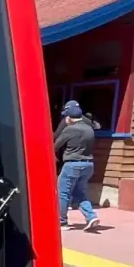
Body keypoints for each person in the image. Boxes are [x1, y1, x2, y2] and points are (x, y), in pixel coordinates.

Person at [55, 99, 100, 231]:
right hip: (88, 165)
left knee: (63, 193)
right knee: (80, 193)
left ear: (68, 117)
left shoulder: (69, 130)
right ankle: (91, 216)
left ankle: (62, 222)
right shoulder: (89, 129)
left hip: (72, 165)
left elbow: (56, 145)